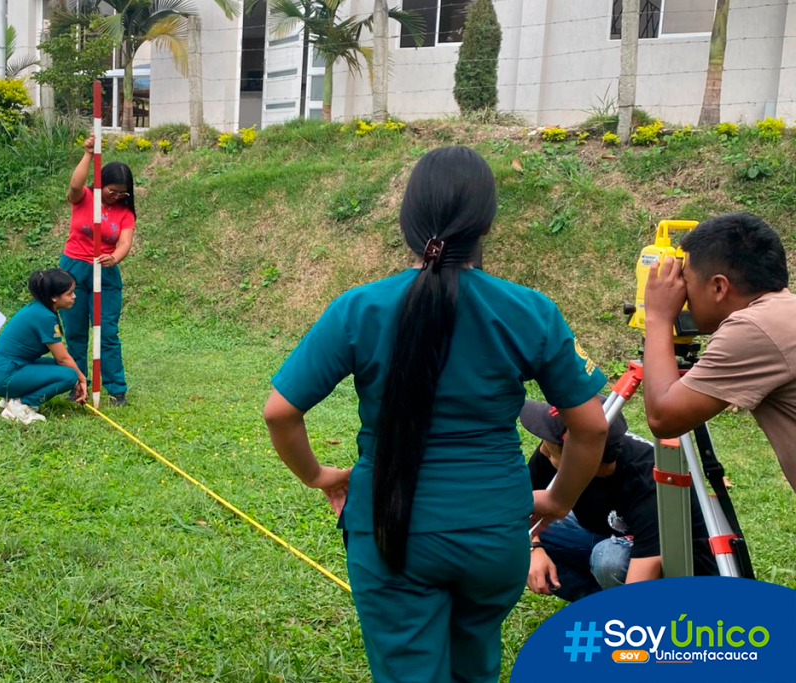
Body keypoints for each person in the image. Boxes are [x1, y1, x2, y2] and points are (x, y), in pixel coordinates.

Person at [264, 146, 610, 683]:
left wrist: (320, 476)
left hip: (391, 529)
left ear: (407, 221)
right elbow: (591, 426)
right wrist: (558, 498)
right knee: (475, 666)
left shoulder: (359, 307)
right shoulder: (531, 311)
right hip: (497, 534)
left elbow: (281, 411)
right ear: (486, 224)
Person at [643, 213, 795, 493]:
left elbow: (663, 418)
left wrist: (657, 318)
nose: (682, 294)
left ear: (719, 287)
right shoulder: (783, 313)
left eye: (685, 281)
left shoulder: (753, 328)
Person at [520, 399, 718, 602]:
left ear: (577, 456)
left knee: (608, 559)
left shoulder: (649, 482)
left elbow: (642, 577)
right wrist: (532, 548)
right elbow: (518, 514)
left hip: (677, 572)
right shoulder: (556, 451)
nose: (543, 449)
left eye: (549, 443)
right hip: (610, 534)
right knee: (516, 537)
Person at [60, 132, 135, 406]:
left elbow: (125, 242)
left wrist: (114, 258)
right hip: (72, 270)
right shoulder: (85, 197)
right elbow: (74, 184)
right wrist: (89, 154)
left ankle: (116, 390)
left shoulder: (125, 212)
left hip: (105, 273)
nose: (116, 196)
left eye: (121, 192)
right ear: (101, 184)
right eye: (111, 190)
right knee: (76, 331)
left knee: (107, 333)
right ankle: (77, 384)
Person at [0, 268, 87, 423]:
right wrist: (81, 379)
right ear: (54, 297)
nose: (74, 297)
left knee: (64, 369)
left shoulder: (38, 308)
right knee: (69, 375)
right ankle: (21, 405)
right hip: (3, 376)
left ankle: (13, 397)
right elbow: (63, 359)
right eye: (69, 293)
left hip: (4, 369)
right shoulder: (44, 316)